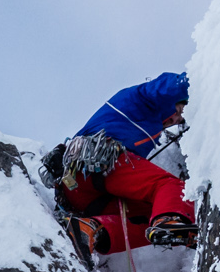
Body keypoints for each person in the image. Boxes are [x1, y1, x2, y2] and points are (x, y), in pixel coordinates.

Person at [45, 71, 197, 260]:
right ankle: (170, 220)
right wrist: (202, 81)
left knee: (152, 214)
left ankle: (91, 230)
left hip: (80, 193)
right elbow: (174, 85)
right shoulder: (145, 97)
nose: (176, 119)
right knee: (171, 187)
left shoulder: (150, 124)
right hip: (98, 160)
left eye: (179, 119)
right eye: (179, 111)